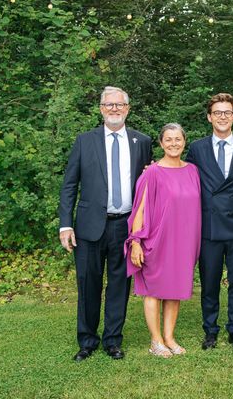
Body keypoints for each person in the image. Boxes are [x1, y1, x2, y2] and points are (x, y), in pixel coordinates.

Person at [58, 86, 152, 362]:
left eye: (119, 105)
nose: (114, 109)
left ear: (128, 108)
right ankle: (87, 341)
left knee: (119, 286)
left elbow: (148, 186)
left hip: (125, 227)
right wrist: (65, 224)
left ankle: (113, 340)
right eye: (109, 105)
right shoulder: (84, 141)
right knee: (88, 284)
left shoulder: (142, 142)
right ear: (101, 109)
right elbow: (69, 186)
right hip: (89, 226)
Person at [185, 93, 233, 350]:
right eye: (217, 113)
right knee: (210, 281)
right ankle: (210, 330)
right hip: (209, 226)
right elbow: (185, 180)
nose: (222, 117)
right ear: (209, 117)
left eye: (227, 113)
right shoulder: (197, 148)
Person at [125, 123, 201, 357]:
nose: (173, 143)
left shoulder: (192, 171)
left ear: (184, 141)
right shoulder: (152, 172)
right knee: (154, 290)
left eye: (178, 139)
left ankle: (169, 337)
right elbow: (139, 209)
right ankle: (155, 341)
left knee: (175, 289)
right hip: (157, 239)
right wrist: (136, 240)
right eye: (168, 139)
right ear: (161, 143)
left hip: (184, 240)